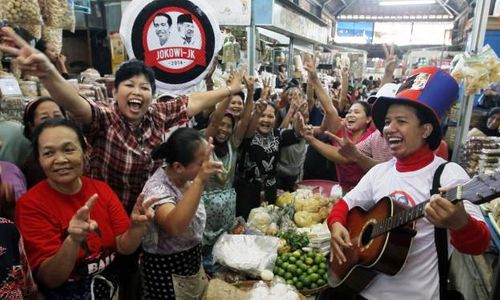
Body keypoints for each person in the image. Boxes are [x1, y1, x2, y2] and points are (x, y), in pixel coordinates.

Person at [327, 66, 491, 299]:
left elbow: (479, 245)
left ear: (425, 130)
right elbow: (344, 204)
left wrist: (460, 222)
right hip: (363, 289)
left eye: (401, 121)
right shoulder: (379, 172)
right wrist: (335, 225)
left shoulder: (448, 175)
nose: (389, 129)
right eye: (386, 121)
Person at [15, 118, 157, 299]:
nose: (60, 160)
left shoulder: (101, 190)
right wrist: (73, 240)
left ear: (85, 151)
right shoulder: (30, 204)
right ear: (39, 160)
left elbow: (123, 246)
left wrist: (136, 228)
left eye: (68, 149)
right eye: (49, 153)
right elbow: (50, 279)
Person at [141, 128, 222, 299]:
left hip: (191, 261)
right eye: (202, 163)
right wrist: (200, 180)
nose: (206, 166)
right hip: (166, 270)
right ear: (178, 166)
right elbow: (175, 226)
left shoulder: (187, 178)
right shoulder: (157, 188)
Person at [201, 75, 254, 271]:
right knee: (206, 257)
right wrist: (230, 90)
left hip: (227, 213)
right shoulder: (203, 142)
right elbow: (215, 120)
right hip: (206, 215)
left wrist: (249, 94)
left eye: (228, 126)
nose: (223, 129)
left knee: (224, 258)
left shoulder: (232, 144)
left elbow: (246, 119)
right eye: (221, 125)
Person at [306, 101, 375, 192]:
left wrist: (311, 139)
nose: (351, 115)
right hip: (344, 190)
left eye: (356, 112)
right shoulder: (342, 131)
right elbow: (329, 110)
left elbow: (345, 157)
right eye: (349, 112)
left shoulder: (372, 137)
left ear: (368, 119)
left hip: (366, 192)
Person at [21, 97, 66, 188]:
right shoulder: (34, 167)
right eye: (45, 118)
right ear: (32, 126)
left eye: (57, 116)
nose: (54, 122)